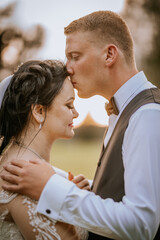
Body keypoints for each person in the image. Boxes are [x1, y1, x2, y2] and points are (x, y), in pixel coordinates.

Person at [1, 10, 160, 240]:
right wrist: (92, 190)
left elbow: (142, 225)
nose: (68, 68)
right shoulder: (125, 110)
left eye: (75, 56)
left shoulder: (147, 114)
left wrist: (51, 187)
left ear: (109, 55)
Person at [0, 60, 89, 240]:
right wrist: (70, 201)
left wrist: (69, 193)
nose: (76, 113)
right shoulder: (20, 173)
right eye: (69, 105)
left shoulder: (25, 162)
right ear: (39, 111)